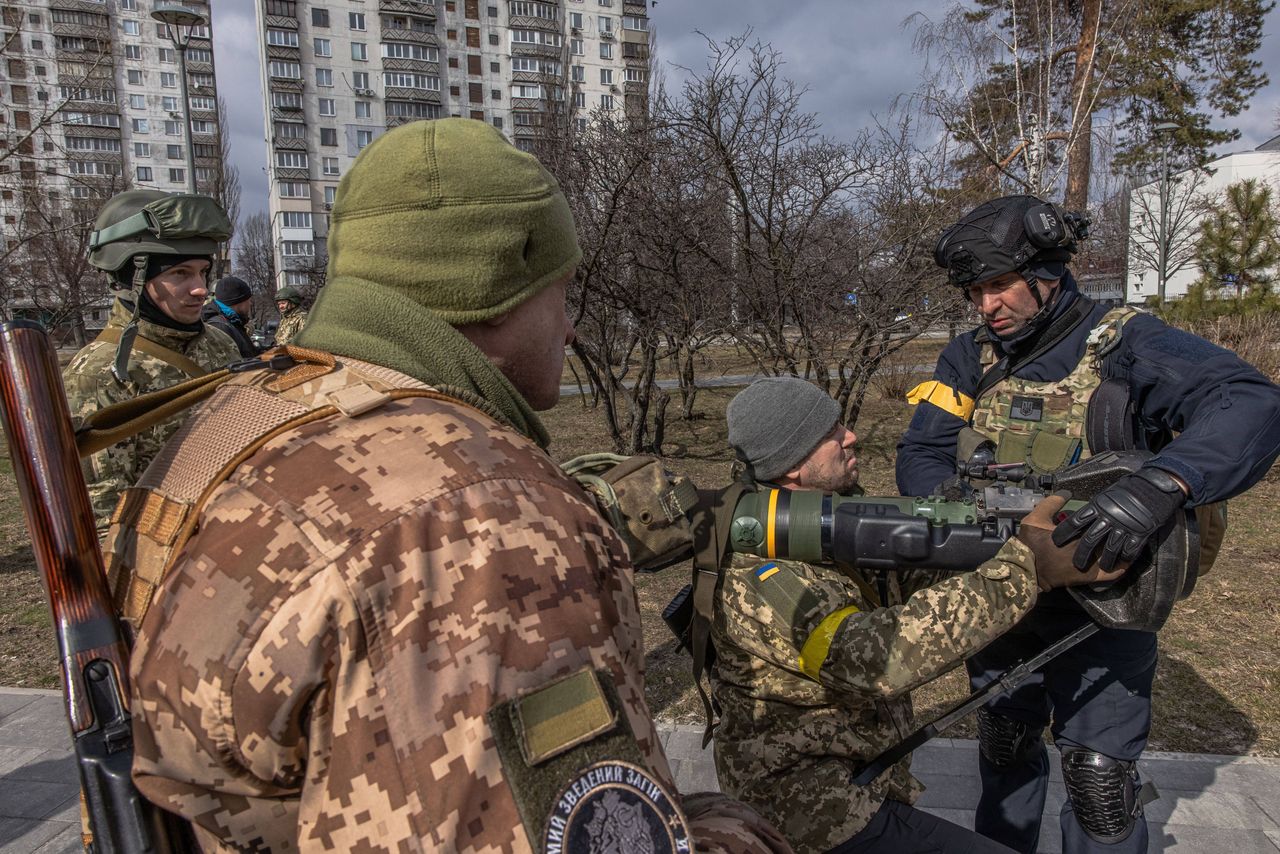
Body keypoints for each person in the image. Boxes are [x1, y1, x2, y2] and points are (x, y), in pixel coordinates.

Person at [126, 119, 791, 854]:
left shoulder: (248, 413)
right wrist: (740, 831)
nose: (568, 330)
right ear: (495, 286)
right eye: (561, 293)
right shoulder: (483, 524)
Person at [897, 194, 1280, 853]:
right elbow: (923, 450)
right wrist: (961, 515)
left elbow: (1251, 403)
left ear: (1047, 273)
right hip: (1002, 596)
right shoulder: (970, 357)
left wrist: (1164, 482)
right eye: (974, 291)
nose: (987, 306)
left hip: (1104, 607)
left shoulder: (1128, 343)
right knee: (1004, 744)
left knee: (1100, 784)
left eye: (999, 285)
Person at [712, 376, 1123, 854]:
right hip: (807, 812)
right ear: (792, 467)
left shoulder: (817, 521)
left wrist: (959, 533)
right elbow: (876, 660)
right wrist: (1025, 570)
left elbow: (892, 587)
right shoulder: (757, 574)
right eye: (831, 433)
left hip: (854, 784)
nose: (851, 436)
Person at [62, 188, 240, 531]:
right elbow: (103, 519)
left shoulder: (219, 345)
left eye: (203, 272)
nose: (201, 288)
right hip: (169, 559)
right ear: (133, 279)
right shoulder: (100, 374)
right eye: (180, 274)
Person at [200, 274, 260, 357]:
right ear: (239, 301)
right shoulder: (220, 327)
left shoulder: (233, 322)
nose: (250, 303)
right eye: (248, 300)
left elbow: (248, 352)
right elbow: (232, 365)